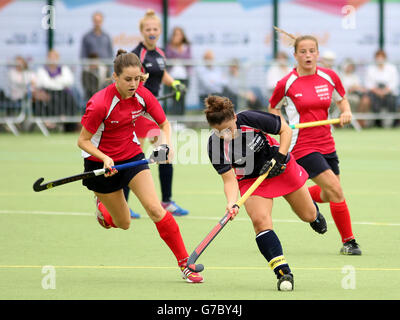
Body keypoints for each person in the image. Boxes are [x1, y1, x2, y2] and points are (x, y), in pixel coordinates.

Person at [77, 49, 203, 283]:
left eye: (137, 79)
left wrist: (166, 145)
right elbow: (82, 141)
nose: (134, 84)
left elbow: (164, 124)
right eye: (128, 79)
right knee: (122, 223)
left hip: (132, 157)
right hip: (100, 163)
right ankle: (102, 206)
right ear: (115, 77)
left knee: (155, 209)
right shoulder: (100, 104)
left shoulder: (143, 96)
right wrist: (104, 158)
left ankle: (186, 264)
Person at [204, 95, 327, 291]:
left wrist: (280, 157)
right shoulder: (214, 146)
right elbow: (229, 179)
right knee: (260, 221)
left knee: (308, 215)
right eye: (219, 132)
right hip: (251, 180)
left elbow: (285, 129)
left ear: (235, 117)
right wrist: (231, 202)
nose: (225, 135)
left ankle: (314, 212)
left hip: (279, 166)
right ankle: (282, 272)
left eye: (228, 129)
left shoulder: (250, 119)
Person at [268, 28, 361, 255]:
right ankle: (349, 242)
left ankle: (302, 196)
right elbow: (273, 108)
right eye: (303, 51)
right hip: (302, 145)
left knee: (330, 194)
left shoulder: (330, 77)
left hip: (327, 142)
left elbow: (342, 100)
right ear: (296, 55)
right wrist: (281, 126)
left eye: (312, 51)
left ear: (318, 54)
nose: (308, 55)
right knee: (336, 190)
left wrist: (346, 112)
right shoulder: (287, 83)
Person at [130, 9, 188, 218]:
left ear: (159, 30)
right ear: (142, 31)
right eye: (148, 29)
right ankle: (123, 203)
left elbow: (161, 73)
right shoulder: (138, 54)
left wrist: (175, 83)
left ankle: (166, 201)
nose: (152, 32)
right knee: (133, 155)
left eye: (155, 29)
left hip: (153, 110)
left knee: (165, 154)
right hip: (138, 109)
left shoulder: (161, 53)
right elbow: (131, 80)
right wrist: (140, 82)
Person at [34, 49, 79, 130]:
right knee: (53, 98)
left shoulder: (64, 69)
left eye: (55, 57)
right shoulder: (42, 70)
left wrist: (53, 80)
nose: (53, 59)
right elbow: (45, 83)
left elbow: (69, 81)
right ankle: (58, 118)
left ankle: (69, 121)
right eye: (51, 57)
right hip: (49, 92)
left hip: (63, 92)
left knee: (70, 99)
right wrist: (59, 81)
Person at [364, 49, 399, 128]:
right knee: (372, 101)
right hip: (375, 93)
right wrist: (378, 92)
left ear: (385, 58)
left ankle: (394, 122)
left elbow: (394, 83)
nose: (380, 59)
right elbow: (368, 84)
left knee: (392, 101)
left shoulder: (392, 68)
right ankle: (377, 122)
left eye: (381, 57)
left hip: (389, 93)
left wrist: (384, 92)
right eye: (378, 57)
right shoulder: (370, 69)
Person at [165, 26, 192, 115]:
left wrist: (180, 51)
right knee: (175, 98)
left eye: (179, 34)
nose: (178, 37)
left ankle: (182, 119)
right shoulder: (169, 47)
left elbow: (187, 59)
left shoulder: (186, 47)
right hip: (172, 77)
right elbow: (169, 57)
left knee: (182, 98)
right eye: (176, 34)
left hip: (184, 76)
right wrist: (175, 47)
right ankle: (175, 119)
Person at [339, 59, 369, 128]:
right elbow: (341, 90)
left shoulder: (355, 76)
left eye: (351, 66)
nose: (350, 68)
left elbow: (358, 87)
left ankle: (359, 121)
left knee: (364, 100)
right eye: (348, 66)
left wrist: (356, 88)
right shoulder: (340, 76)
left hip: (356, 96)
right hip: (345, 97)